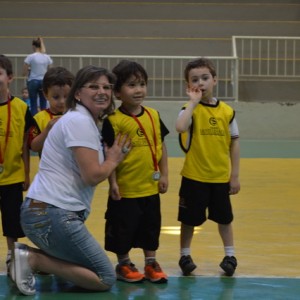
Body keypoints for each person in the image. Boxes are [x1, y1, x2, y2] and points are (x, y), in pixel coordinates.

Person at [10, 65, 131, 296]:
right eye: (93, 86)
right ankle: (32, 259)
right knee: (104, 277)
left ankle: (26, 256)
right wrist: (113, 159)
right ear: (78, 93)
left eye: (107, 86)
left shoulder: (81, 120)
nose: (102, 91)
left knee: (85, 267)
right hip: (52, 215)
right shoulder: (79, 121)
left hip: (45, 213)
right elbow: (92, 175)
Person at [102, 60, 169, 284]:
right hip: (126, 190)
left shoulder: (153, 115)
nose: (138, 89)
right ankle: (123, 263)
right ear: (118, 92)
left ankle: (151, 263)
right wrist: (113, 183)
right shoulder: (113, 121)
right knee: (123, 230)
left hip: (149, 187)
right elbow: (109, 153)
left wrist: (165, 174)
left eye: (141, 84)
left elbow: (162, 146)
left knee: (151, 228)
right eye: (131, 85)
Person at [175, 57, 240, 277]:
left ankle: (230, 255)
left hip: (220, 177)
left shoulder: (227, 112)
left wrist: (235, 175)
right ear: (188, 85)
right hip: (194, 176)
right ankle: (185, 255)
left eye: (205, 78)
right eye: (195, 80)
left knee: (224, 218)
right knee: (188, 219)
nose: (201, 83)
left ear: (215, 80)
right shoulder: (188, 109)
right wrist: (192, 103)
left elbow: (234, 143)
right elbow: (180, 126)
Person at [0, 55, 34, 278]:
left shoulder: (21, 107)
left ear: (10, 77)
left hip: (12, 176)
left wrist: (26, 173)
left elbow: (25, 144)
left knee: (12, 221)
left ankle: (13, 256)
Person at [28, 66, 74, 157]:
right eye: (56, 97)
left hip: (73, 169)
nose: (62, 101)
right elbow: (34, 147)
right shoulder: (39, 118)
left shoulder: (76, 116)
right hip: (49, 170)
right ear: (45, 95)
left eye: (66, 96)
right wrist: (47, 130)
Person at [23, 36, 53, 115]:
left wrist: (24, 74)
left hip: (33, 80)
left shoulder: (31, 56)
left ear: (33, 46)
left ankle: (34, 121)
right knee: (43, 102)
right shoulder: (47, 57)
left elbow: (25, 69)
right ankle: (43, 119)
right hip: (43, 81)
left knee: (33, 103)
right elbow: (51, 69)